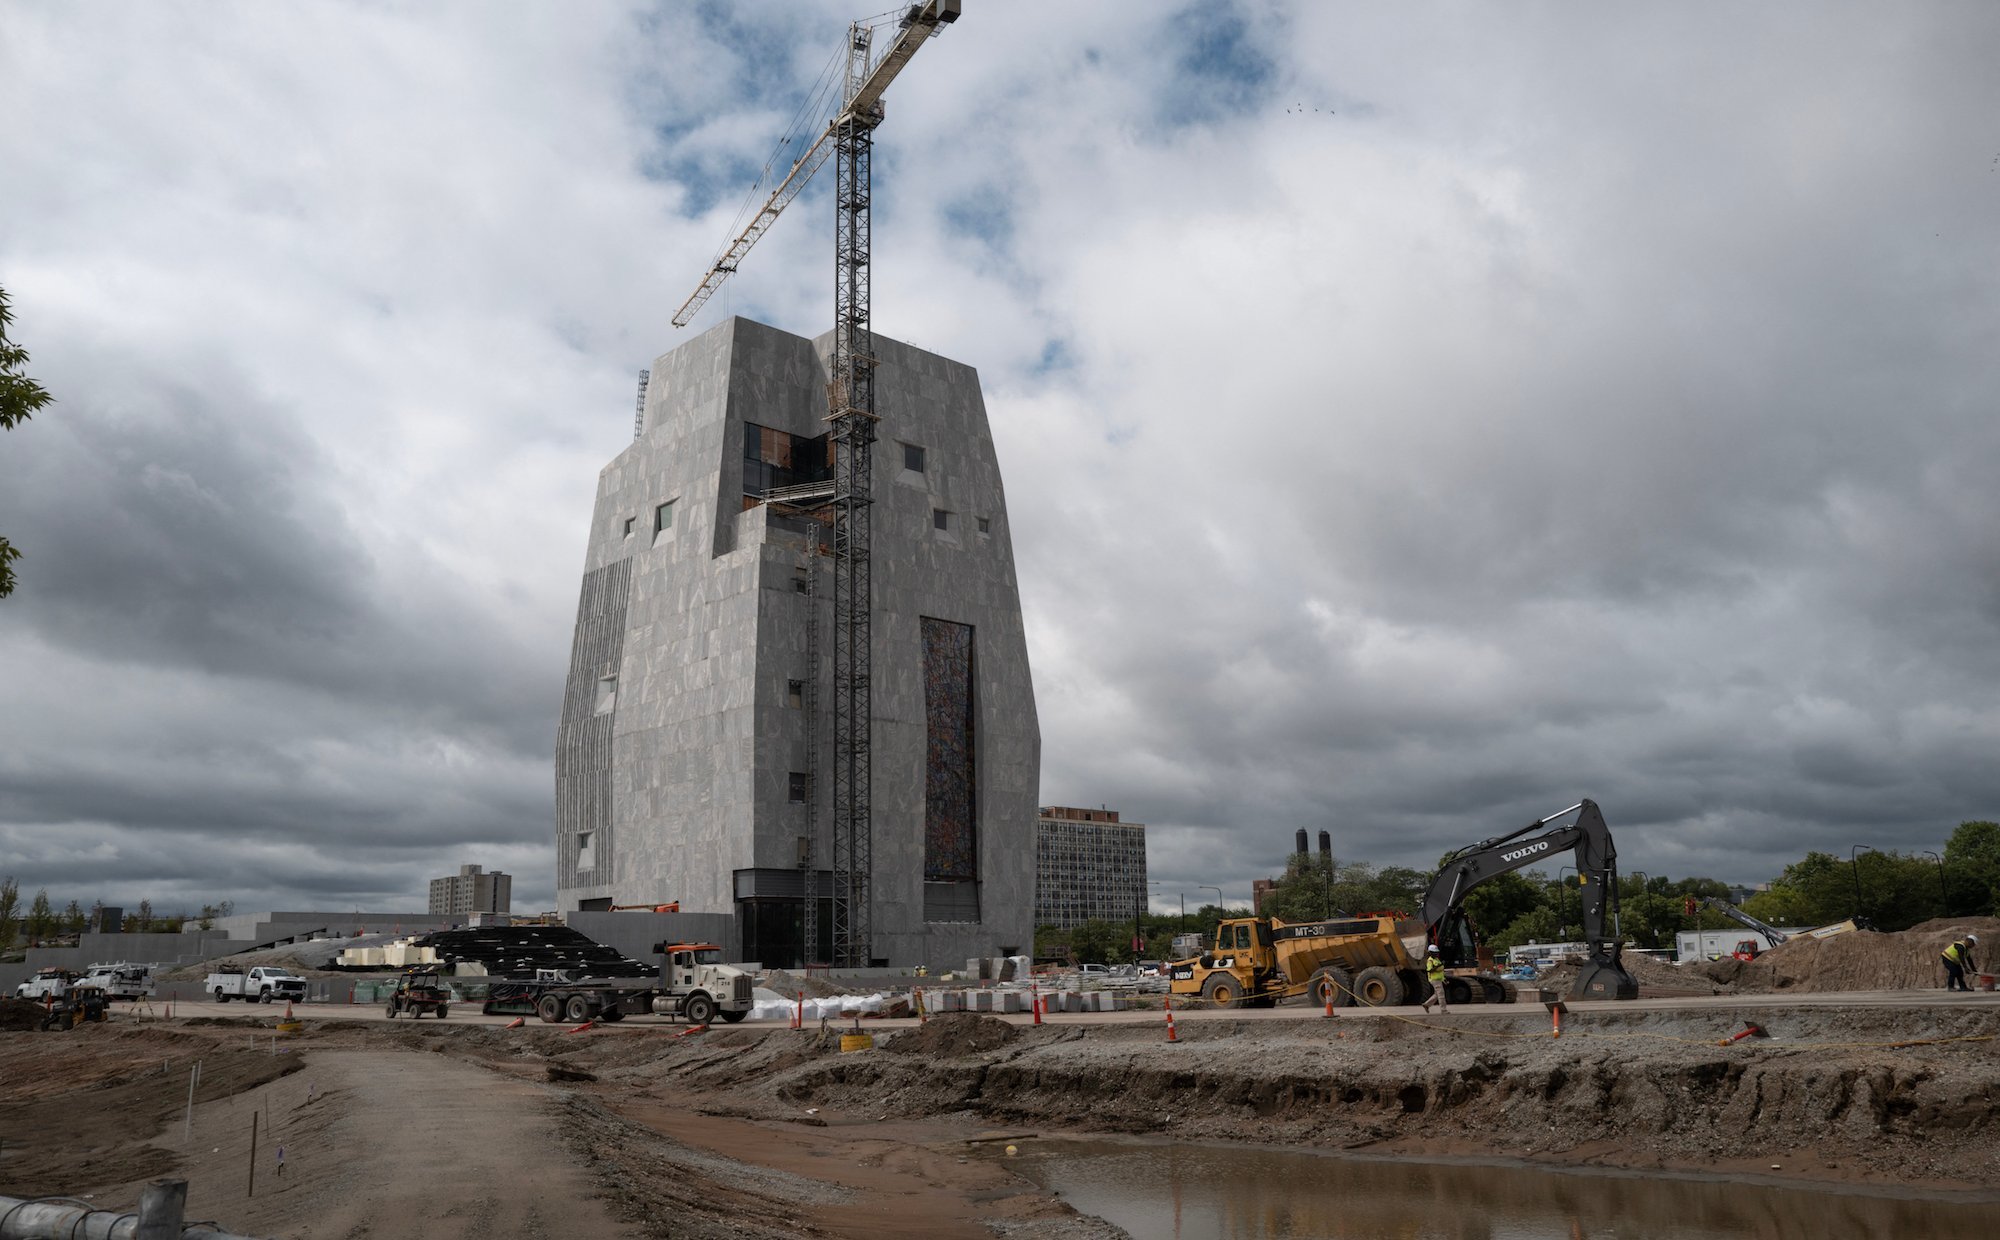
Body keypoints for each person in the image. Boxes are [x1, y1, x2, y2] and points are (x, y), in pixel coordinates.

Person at [1420, 944, 1449, 1013]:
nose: (1436, 954)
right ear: (1430, 953)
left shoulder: (1436, 959)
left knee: (1437, 994)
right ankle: (1443, 1010)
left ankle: (1426, 1005)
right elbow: (1429, 970)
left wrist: (1444, 979)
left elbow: (1440, 972)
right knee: (1441, 995)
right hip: (1434, 980)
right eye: (1434, 953)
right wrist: (1439, 965)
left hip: (1438, 979)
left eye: (1436, 952)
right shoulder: (1430, 961)